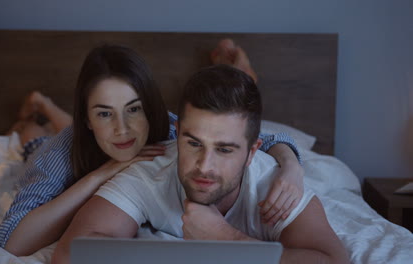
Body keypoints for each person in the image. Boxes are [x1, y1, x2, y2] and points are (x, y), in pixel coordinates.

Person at [0, 43, 304, 256]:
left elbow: (255, 138)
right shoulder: (60, 152)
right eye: (104, 113)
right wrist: (98, 176)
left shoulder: (171, 129)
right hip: (57, 145)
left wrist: (291, 166)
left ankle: (238, 74)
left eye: (134, 109)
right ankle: (40, 109)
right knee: (32, 138)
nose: (123, 129)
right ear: (87, 119)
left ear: (151, 108)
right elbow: (12, 242)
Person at [52, 64, 349, 264]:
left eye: (224, 149)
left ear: (252, 152)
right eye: (193, 143)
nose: (204, 166)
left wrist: (227, 239)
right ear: (178, 133)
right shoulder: (150, 172)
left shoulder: (274, 187)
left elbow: (335, 262)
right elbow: (69, 253)